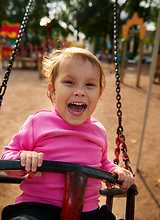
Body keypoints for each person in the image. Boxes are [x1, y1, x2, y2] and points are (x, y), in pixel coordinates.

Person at [1, 47, 134, 220]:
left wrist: (116, 170)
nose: (80, 91)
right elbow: (7, 158)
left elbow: (102, 163)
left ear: (98, 94)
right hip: (37, 207)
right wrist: (23, 157)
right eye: (69, 82)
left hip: (87, 213)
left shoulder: (98, 130)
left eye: (89, 85)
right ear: (53, 91)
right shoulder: (38, 122)